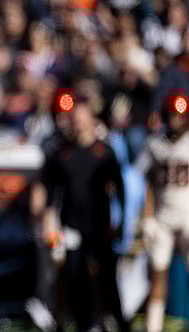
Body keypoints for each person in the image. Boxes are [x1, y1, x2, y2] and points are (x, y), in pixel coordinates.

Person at [41, 95, 129, 332]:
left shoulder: (105, 153)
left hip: (98, 225)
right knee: (73, 276)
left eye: (82, 119)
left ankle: (115, 320)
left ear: (92, 120)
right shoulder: (62, 154)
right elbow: (51, 193)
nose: (78, 124)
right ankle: (83, 322)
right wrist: (49, 223)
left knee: (105, 277)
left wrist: (119, 223)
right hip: (71, 225)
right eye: (74, 119)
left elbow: (119, 190)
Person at [138, 94, 189, 332]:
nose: (176, 121)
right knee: (158, 272)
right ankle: (153, 326)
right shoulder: (154, 144)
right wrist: (146, 217)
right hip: (163, 216)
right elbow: (147, 183)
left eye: (180, 116)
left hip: (187, 215)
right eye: (172, 115)